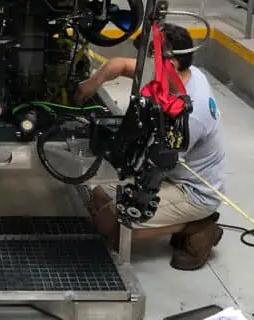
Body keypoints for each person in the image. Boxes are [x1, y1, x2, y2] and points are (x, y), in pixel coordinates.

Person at [75, 23, 225, 271]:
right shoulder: (183, 74)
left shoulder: (191, 113)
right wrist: (92, 83)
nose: (144, 66)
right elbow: (119, 65)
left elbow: (154, 166)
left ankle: (200, 226)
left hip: (193, 191)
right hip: (174, 174)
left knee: (107, 221)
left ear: (171, 64)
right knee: (98, 194)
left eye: (150, 59)